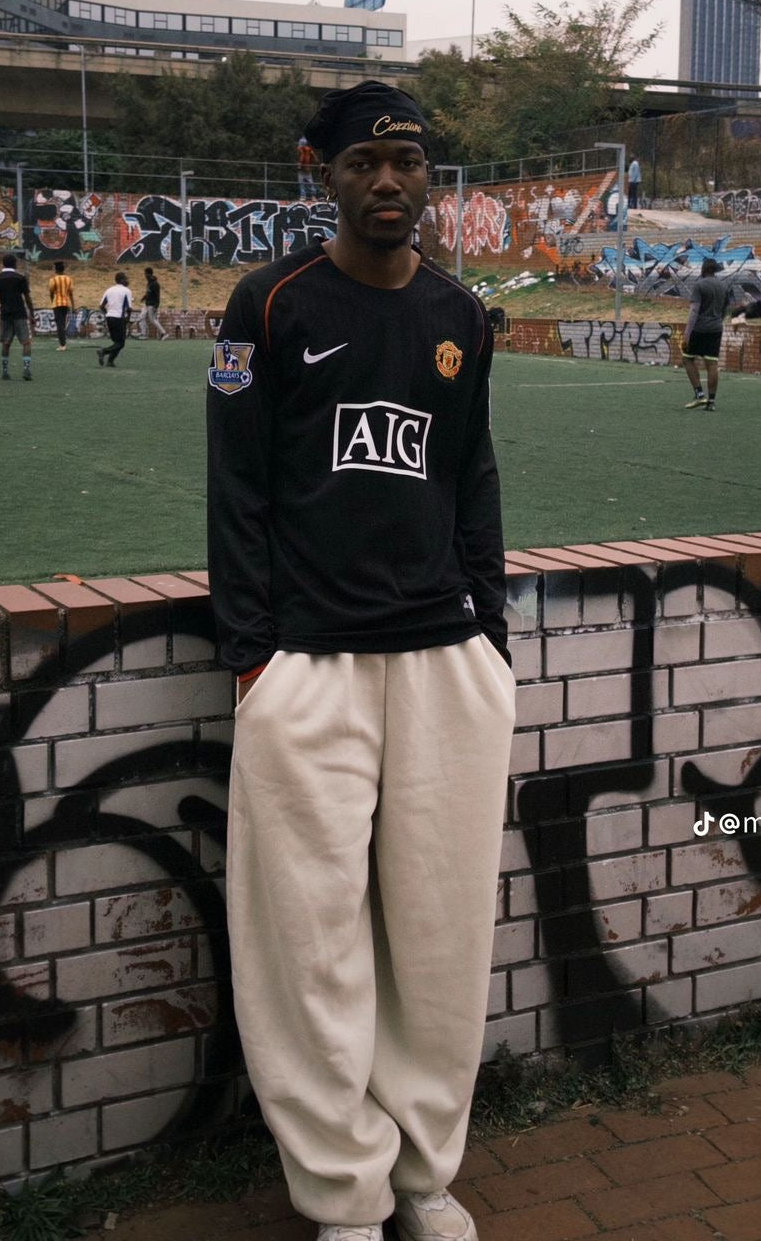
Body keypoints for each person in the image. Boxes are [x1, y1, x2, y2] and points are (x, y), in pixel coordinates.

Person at [208, 79, 513, 1241]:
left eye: (409, 163)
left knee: (439, 935)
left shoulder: (462, 313)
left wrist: (489, 627)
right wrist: (254, 657)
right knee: (311, 937)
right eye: (364, 165)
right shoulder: (268, 302)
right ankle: (340, 1194)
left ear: (429, 177)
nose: (389, 183)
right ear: (320, 173)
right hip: (307, 666)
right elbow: (236, 489)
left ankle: (425, 1179)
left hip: (444, 659)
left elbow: (471, 475)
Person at [681, 257, 733, 411]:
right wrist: (718, 321)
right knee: (712, 364)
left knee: (687, 359)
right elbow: (725, 310)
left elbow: (694, 311)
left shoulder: (699, 285)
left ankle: (699, 394)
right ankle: (711, 402)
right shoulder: (724, 286)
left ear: (703, 269)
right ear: (715, 270)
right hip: (716, 328)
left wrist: (687, 333)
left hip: (699, 329)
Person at [0, 252, 34, 381]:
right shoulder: (20, 277)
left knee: (6, 343)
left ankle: (5, 371)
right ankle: (26, 369)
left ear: (3, 264)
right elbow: (27, 298)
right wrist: (32, 314)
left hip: (5, 314)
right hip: (20, 313)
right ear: (15, 264)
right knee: (26, 342)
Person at [97, 271, 133, 366]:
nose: (127, 280)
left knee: (117, 342)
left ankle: (110, 361)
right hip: (119, 318)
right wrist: (127, 318)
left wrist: (107, 313)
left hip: (109, 318)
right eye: (126, 278)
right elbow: (129, 308)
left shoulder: (109, 290)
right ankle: (103, 351)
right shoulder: (126, 291)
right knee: (121, 343)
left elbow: (101, 306)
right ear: (121, 280)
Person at [48, 260, 75, 350]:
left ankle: (62, 345)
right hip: (66, 304)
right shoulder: (69, 279)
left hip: (57, 304)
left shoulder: (53, 280)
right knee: (62, 323)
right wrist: (73, 305)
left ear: (56, 269)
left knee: (59, 324)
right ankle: (63, 343)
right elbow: (71, 293)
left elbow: (51, 292)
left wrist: (52, 301)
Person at [138, 266, 164, 340]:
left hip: (152, 304)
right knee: (141, 317)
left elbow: (157, 294)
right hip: (147, 303)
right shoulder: (149, 283)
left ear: (149, 274)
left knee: (152, 320)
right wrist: (144, 297)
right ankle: (143, 334)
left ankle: (163, 333)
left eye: (145, 274)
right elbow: (149, 293)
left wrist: (156, 305)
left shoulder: (155, 284)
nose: (144, 275)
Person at [296, 134, 319, 199]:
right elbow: (315, 158)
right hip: (308, 168)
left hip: (303, 168)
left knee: (302, 183)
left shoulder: (301, 149)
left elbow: (302, 157)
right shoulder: (309, 149)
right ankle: (313, 196)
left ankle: (303, 196)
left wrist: (299, 165)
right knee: (310, 182)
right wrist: (316, 163)